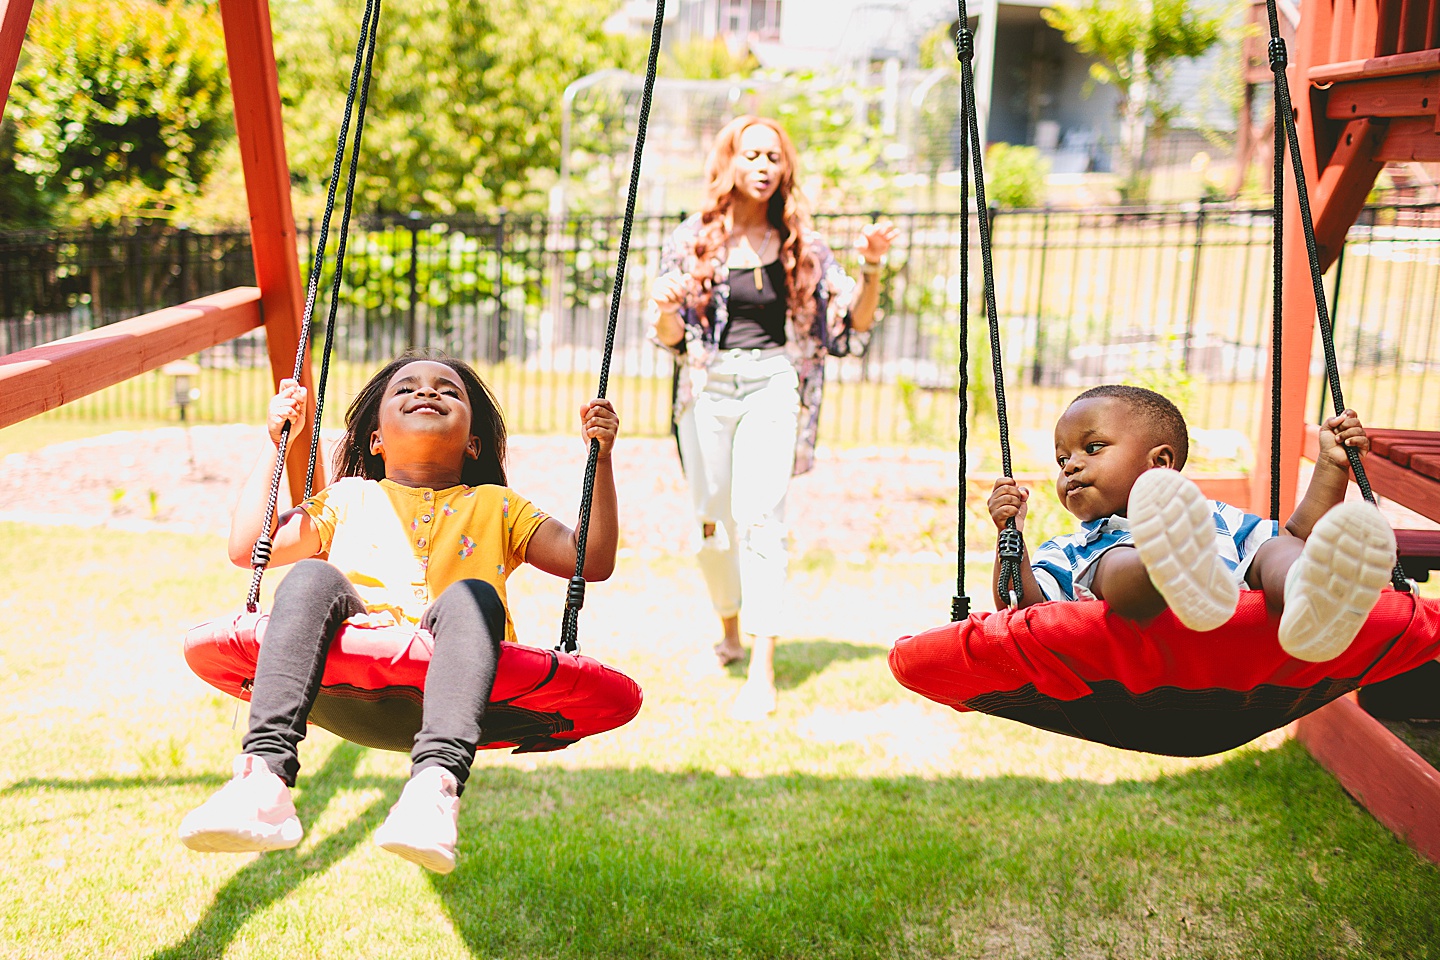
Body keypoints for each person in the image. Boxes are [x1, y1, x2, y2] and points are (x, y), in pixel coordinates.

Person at [178, 351, 619, 874]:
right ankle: (263, 780)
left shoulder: (498, 506)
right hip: (345, 683)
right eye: (406, 388)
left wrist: (602, 457)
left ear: (472, 441)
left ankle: (434, 789)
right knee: (311, 577)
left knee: (473, 595)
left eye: (449, 391)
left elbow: (589, 561)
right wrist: (277, 444)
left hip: (461, 690)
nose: (428, 392)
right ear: (376, 439)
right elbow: (250, 546)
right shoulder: (346, 499)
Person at [648, 115, 897, 719]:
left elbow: (852, 326)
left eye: (774, 157)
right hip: (706, 387)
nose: (763, 166)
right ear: (729, 162)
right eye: (752, 154)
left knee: (762, 521)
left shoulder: (803, 245)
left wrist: (871, 269)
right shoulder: (690, 239)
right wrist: (662, 311)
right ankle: (730, 635)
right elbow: (669, 339)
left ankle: (762, 670)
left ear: (785, 169)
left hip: (774, 384)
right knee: (710, 523)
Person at [987, 384, 1397, 662]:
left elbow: (1299, 534)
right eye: (1062, 460)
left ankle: (1312, 595)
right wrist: (1012, 535)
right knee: (1111, 563)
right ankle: (1165, 566)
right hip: (1148, 646)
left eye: (1092, 448)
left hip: (1232, 624)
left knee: (1275, 548)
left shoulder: (1212, 517)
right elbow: (1021, 607)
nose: (1071, 465)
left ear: (1160, 463)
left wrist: (1331, 465)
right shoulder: (1071, 549)